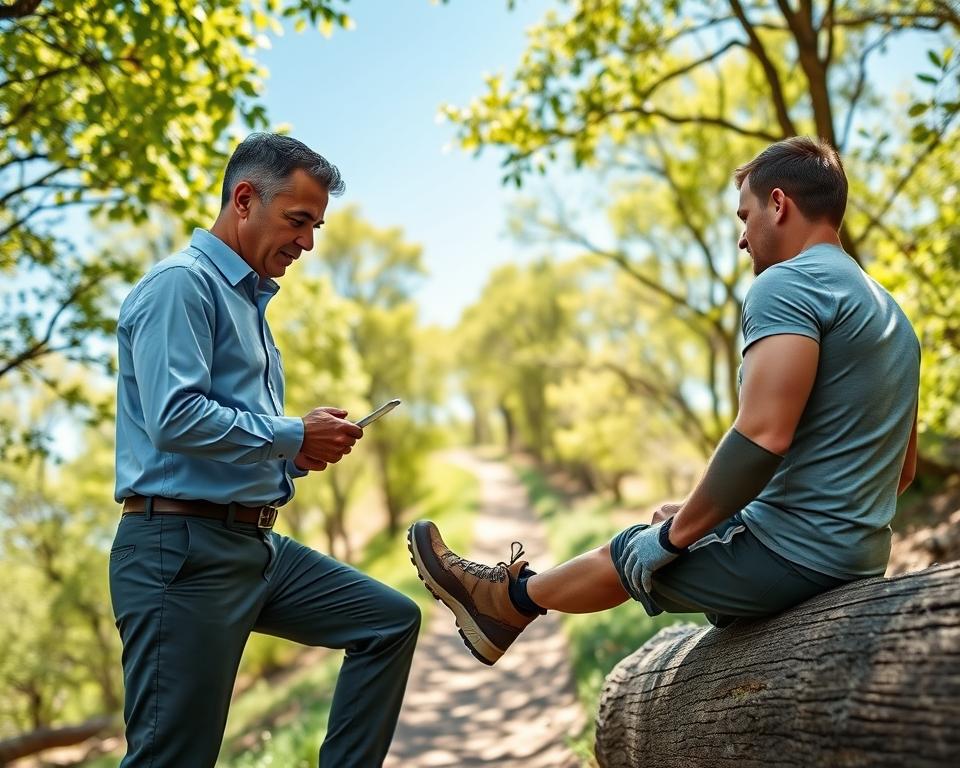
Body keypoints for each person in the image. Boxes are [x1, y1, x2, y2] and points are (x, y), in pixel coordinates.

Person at [408, 136, 920, 666]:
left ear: (778, 203)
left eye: (744, 217)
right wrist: (711, 515)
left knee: (634, 547)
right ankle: (509, 601)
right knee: (661, 530)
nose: (743, 240)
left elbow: (763, 435)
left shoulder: (787, 285)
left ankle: (505, 604)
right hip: (859, 559)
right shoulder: (891, 316)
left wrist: (675, 538)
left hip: (796, 559)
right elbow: (899, 471)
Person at [110, 133, 420, 767]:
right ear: (244, 199)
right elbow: (174, 419)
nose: (308, 242)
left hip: (254, 548)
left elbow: (225, 428)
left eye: (315, 226)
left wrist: (293, 454)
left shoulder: (247, 301)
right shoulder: (181, 286)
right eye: (299, 221)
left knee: (387, 622)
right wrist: (291, 434)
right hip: (182, 554)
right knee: (173, 758)